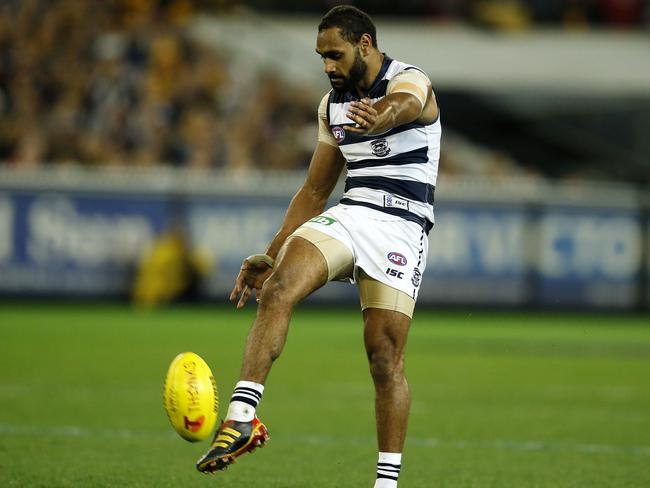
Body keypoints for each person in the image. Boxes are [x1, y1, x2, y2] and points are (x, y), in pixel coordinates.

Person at [196, 5, 441, 487]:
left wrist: (382, 114)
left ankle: (386, 483)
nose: (327, 65)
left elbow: (408, 105)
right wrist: (270, 254)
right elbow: (313, 192)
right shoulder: (332, 108)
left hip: (403, 224)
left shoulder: (411, 80)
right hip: (353, 214)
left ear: (364, 45)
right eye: (321, 56)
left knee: (384, 357)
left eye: (335, 54)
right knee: (281, 286)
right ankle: (242, 418)